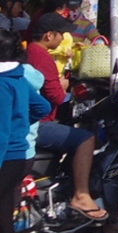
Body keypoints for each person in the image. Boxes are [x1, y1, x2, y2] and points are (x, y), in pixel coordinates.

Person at [25, 13, 104, 222]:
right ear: (49, 35)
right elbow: (56, 95)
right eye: (61, 35)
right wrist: (67, 87)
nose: (63, 40)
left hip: (37, 120)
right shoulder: (41, 57)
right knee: (85, 138)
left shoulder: (31, 53)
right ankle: (81, 195)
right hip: (39, 124)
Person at [1, 28, 52, 233]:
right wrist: (22, 125)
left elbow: (0, 135)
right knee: (4, 230)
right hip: (20, 157)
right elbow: (42, 106)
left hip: (5, 159)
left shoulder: (1, 84)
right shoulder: (17, 78)